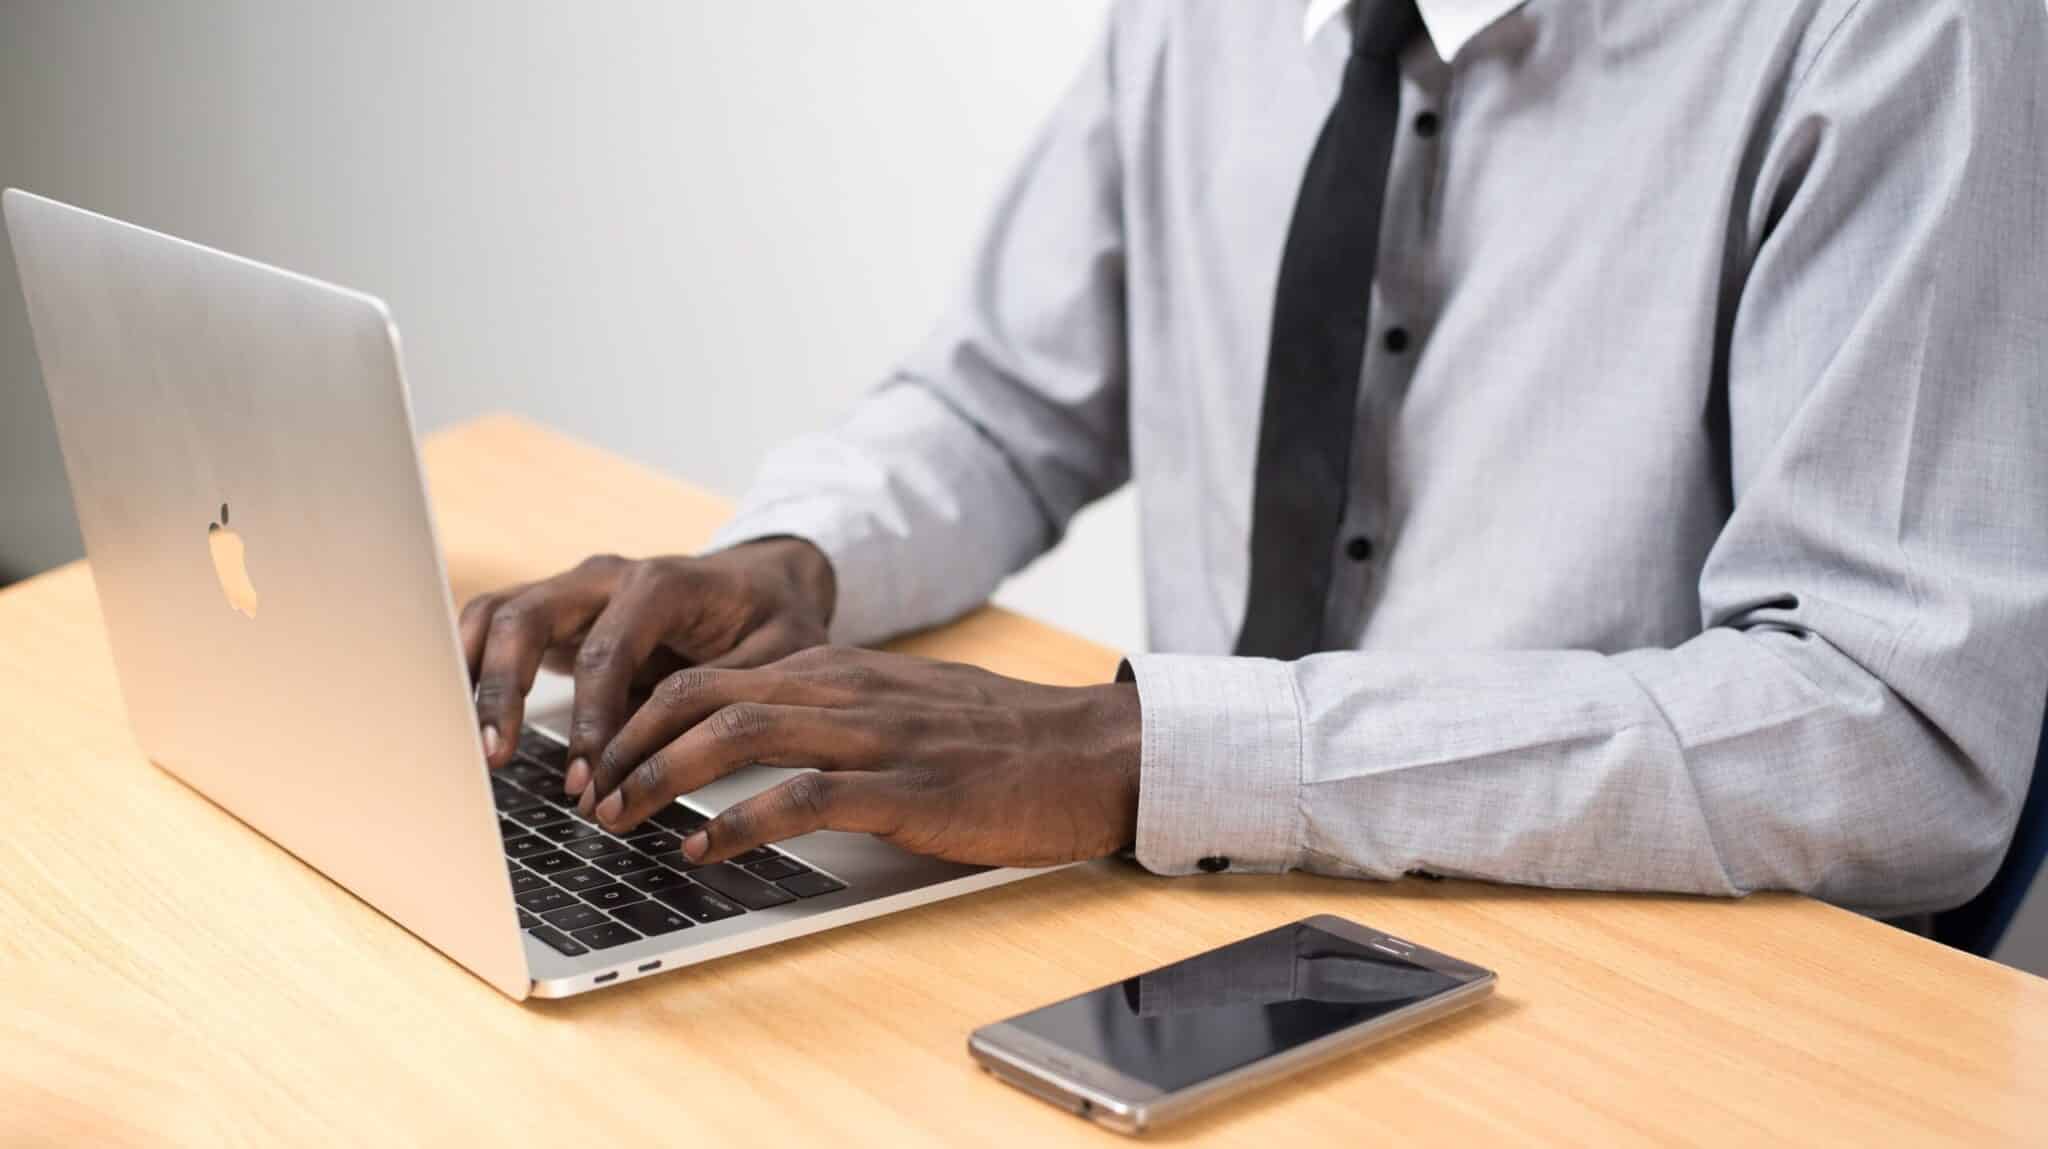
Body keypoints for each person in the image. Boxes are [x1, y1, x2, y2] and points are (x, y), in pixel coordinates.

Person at [460, 0, 2048, 917]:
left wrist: (1141, 753)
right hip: (1203, 902)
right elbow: (1007, 395)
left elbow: (1890, 723)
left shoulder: (1895, 31)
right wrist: (795, 563)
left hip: (1608, 963)